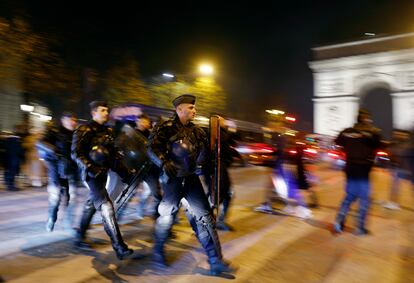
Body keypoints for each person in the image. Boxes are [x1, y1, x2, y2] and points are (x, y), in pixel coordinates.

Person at [148, 94, 234, 276]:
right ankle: (158, 251)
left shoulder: (197, 132)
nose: (194, 111)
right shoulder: (165, 128)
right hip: (172, 180)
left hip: (191, 179)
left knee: (205, 219)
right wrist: (164, 162)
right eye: (191, 108)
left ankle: (215, 261)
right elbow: (152, 148)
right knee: (166, 217)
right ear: (179, 109)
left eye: (194, 108)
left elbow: (206, 156)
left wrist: (211, 163)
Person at [71, 100, 133, 260]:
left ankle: (79, 236)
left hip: (103, 173)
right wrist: (90, 167)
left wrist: (126, 173)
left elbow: (113, 156)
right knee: (106, 207)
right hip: (90, 174)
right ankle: (119, 247)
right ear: (94, 113)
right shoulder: (84, 129)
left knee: (92, 203)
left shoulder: (108, 131)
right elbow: (76, 153)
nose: (106, 113)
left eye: (107, 110)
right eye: (103, 110)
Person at [333, 109, 382, 235]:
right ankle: (360, 227)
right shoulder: (373, 133)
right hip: (363, 169)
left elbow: (337, 141)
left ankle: (339, 221)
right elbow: (379, 144)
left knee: (350, 195)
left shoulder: (347, 132)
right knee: (364, 198)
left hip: (350, 167)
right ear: (367, 119)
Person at [37, 112, 79, 231]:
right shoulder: (55, 132)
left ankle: (68, 223)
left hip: (71, 171)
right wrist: (54, 151)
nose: (73, 122)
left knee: (72, 198)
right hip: (56, 170)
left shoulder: (77, 134)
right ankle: (52, 217)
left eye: (74, 120)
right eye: (70, 119)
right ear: (63, 120)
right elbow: (40, 143)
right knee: (55, 198)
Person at [383, 129, 412, 210]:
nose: (399, 136)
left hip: (404, 168)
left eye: (402, 135)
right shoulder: (397, 143)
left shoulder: (406, 145)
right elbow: (391, 154)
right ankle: (393, 203)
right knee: (394, 186)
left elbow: (399, 153)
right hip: (399, 168)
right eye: (397, 134)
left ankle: (393, 203)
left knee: (396, 186)